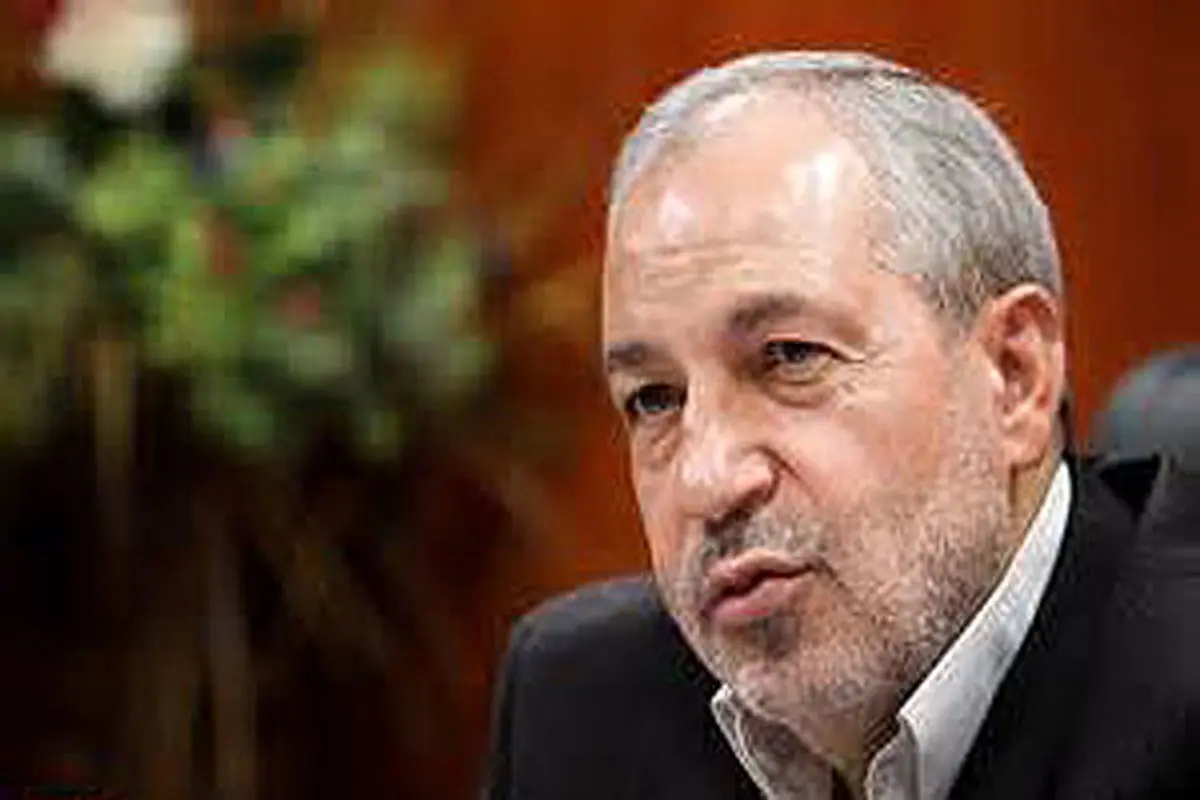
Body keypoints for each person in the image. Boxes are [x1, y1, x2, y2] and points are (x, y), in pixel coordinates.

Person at [481, 51, 1200, 800]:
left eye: (790, 357)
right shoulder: (580, 708)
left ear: (1013, 376)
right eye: (654, 399)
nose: (707, 481)